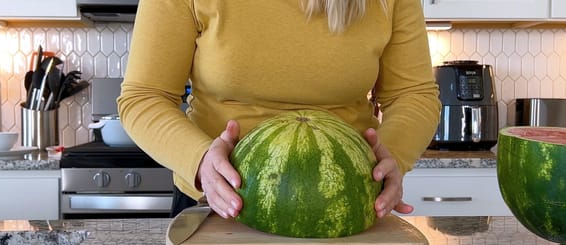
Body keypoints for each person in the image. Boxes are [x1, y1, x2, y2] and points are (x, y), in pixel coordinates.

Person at [117, 0, 441, 219]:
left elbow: (413, 94)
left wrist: (391, 159)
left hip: (349, 205)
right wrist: (200, 161)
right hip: (217, 207)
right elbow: (144, 97)